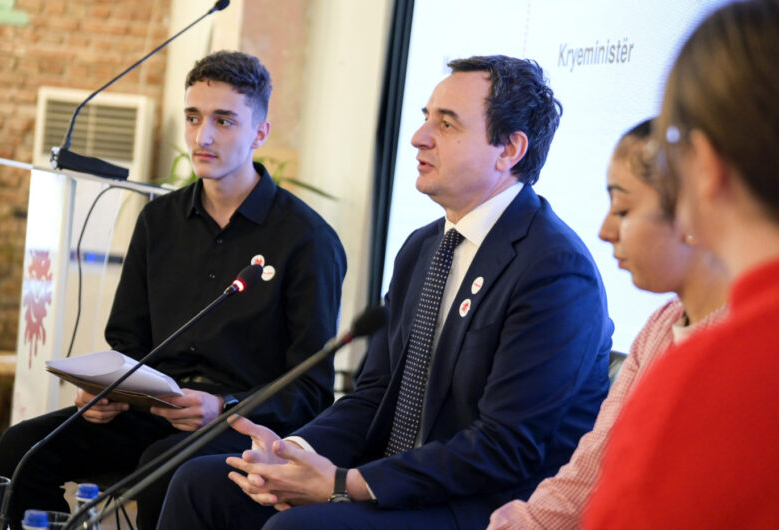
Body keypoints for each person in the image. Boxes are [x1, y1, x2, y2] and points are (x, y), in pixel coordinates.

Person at [157, 55, 613, 530]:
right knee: (200, 484)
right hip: (395, 480)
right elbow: (375, 394)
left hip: (482, 504)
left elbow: (505, 448)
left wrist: (346, 483)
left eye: (447, 124)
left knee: (296, 528)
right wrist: (292, 454)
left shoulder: (554, 270)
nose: (419, 137)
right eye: (425, 118)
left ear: (509, 150)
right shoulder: (423, 248)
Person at [0, 51, 347, 530]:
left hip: (242, 425)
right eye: (193, 117)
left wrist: (223, 406)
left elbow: (310, 388)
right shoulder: (157, 221)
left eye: (224, 121)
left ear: (260, 133)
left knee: (163, 467)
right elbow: (128, 342)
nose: (203, 137)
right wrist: (106, 391)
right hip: (151, 413)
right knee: (20, 450)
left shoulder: (308, 239)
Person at [584, 1, 779, 527]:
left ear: (705, 166)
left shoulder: (704, 382)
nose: (607, 230)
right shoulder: (663, 334)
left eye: (624, 207)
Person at [487, 119, 729, 529]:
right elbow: (590, 474)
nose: (604, 231)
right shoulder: (662, 324)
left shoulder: (748, 343)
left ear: (692, 212)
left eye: (623, 210)